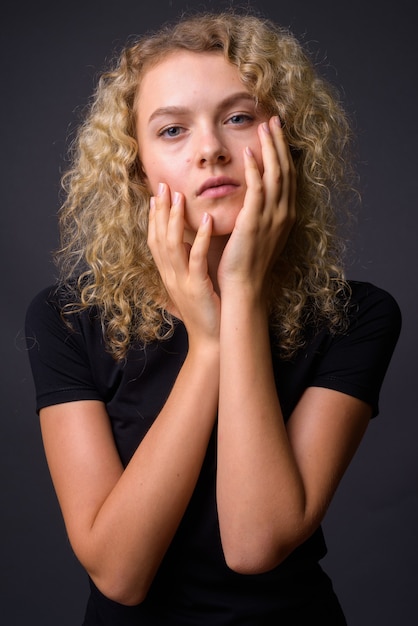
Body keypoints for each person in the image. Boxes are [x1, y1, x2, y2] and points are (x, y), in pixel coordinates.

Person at [25, 10, 401, 625]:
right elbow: (119, 574)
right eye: (172, 130)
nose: (210, 151)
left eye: (238, 117)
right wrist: (206, 345)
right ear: (136, 166)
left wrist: (242, 296)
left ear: (289, 138)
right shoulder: (67, 318)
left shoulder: (357, 315)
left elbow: (256, 543)